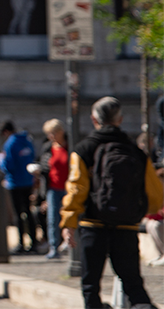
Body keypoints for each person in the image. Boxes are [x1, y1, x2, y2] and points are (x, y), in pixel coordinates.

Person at [61, 96, 163, 309]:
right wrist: (138, 211)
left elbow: (76, 188)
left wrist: (69, 222)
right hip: (126, 226)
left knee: (91, 286)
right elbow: (155, 195)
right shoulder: (136, 152)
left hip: (93, 225)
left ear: (93, 119)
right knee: (134, 285)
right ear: (120, 119)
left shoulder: (84, 149)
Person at [0, 120, 36, 254]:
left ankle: (21, 243)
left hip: (14, 182)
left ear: (5, 132)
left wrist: (0, 162)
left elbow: (8, 165)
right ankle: (34, 243)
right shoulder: (27, 140)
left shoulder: (10, 143)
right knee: (29, 211)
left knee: (18, 214)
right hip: (28, 180)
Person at [41, 119, 69, 260]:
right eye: (49, 134)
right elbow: (44, 168)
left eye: (53, 133)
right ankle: (54, 247)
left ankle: (69, 244)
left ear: (61, 131)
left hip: (69, 187)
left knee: (68, 217)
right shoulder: (47, 148)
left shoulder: (70, 146)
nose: (51, 136)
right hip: (53, 187)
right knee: (52, 219)